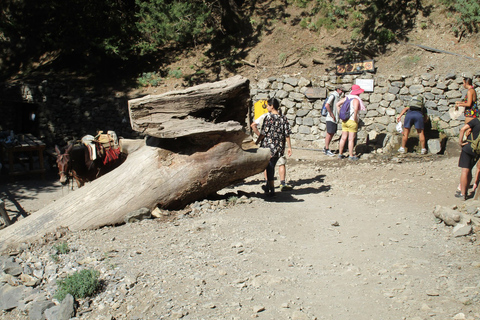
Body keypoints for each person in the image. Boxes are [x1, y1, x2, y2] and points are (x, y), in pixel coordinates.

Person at [256, 98, 292, 197]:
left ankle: (272, 191)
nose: (267, 107)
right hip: (279, 147)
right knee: (271, 165)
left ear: (272, 106)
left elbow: (263, 133)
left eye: (268, 105)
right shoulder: (283, 118)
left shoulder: (269, 118)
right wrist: (289, 147)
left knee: (270, 167)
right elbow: (287, 134)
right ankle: (268, 186)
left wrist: (257, 142)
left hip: (269, 146)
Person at [336, 84, 366, 160]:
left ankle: (340, 154)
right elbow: (355, 109)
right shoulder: (356, 99)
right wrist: (355, 117)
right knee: (351, 139)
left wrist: (340, 115)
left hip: (344, 120)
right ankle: (351, 155)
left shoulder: (346, 98)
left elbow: (337, 104)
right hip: (352, 120)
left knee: (343, 138)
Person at [457, 117, 480, 200]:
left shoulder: (476, 121)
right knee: (469, 169)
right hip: (477, 151)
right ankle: (466, 191)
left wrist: (460, 142)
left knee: (465, 170)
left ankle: (463, 193)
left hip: (468, 147)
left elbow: (462, 130)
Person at [323, 87, 344, 156]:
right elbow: (327, 105)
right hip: (331, 118)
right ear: (338, 89)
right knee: (329, 133)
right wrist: (332, 114)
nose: (342, 92)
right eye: (341, 90)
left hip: (334, 118)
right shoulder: (333, 95)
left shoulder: (337, 96)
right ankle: (326, 149)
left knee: (331, 133)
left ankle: (326, 148)